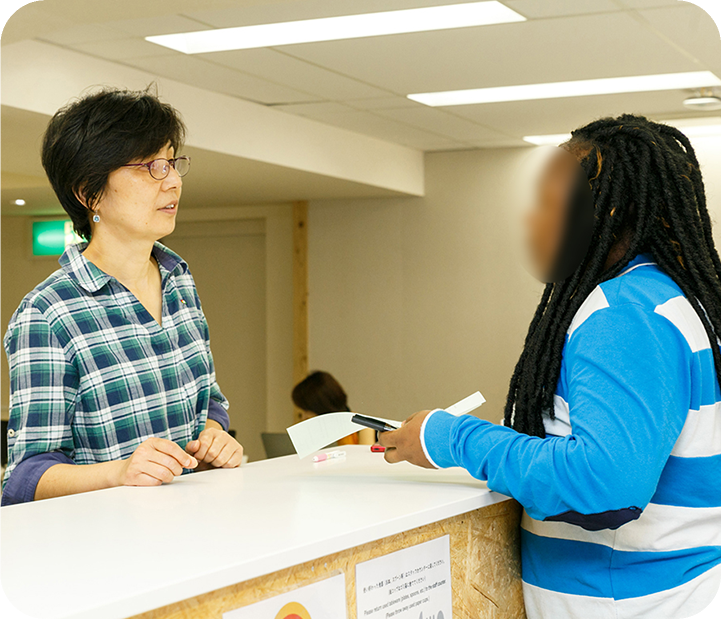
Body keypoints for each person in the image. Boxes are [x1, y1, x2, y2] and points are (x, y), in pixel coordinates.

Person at [379, 115, 721, 617]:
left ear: (604, 211)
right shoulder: (667, 298)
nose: (530, 218)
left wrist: (450, 438)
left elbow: (605, 484)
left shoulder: (622, 316)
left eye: (546, 202)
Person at [2, 87, 244, 506]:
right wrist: (119, 472)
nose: (173, 181)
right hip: (105, 540)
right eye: (151, 167)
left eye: (172, 163)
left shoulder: (179, 281)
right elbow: (25, 479)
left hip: (193, 527)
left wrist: (213, 435)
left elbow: (209, 403)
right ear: (88, 192)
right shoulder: (48, 313)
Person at [292, 371, 374, 446]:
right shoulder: (309, 433)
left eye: (307, 410)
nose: (304, 417)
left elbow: (365, 456)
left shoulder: (362, 426)